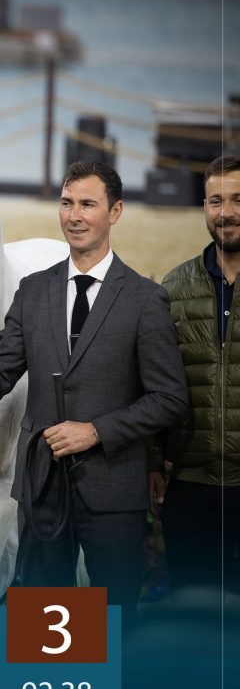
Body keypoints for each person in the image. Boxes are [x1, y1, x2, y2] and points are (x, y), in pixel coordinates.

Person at [0, 160, 188, 618]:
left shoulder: (145, 300)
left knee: (111, 626)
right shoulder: (32, 291)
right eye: (67, 203)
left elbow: (169, 399)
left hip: (113, 494)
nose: (74, 216)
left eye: (88, 204)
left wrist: (96, 431)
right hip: (41, 490)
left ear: (115, 211)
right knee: (43, 628)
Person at [151, 155, 240, 595]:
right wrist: (153, 460)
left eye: (238, 199)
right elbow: (153, 384)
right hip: (189, 487)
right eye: (216, 201)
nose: (227, 212)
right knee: (193, 612)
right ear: (204, 207)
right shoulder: (174, 287)